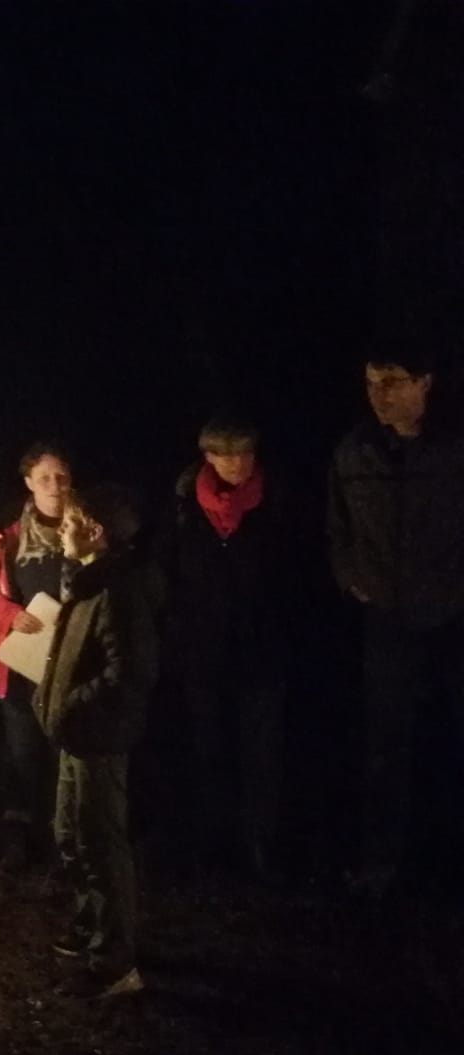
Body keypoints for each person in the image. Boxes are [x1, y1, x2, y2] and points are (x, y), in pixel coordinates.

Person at [328, 339, 464, 899]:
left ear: (425, 383)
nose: (379, 394)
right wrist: (350, 577)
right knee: (385, 744)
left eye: (393, 381)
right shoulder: (355, 452)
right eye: (371, 382)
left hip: (452, 616)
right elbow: (337, 528)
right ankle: (382, 863)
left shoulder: (453, 450)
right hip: (385, 616)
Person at [160, 419, 300, 879]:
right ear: (209, 458)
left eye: (244, 453)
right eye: (226, 454)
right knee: (209, 749)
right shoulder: (186, 505)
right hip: (204, 651)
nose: (237, 463)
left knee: (262, 753)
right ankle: (211, 844)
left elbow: (295, 573)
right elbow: (172, 574)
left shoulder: (277, 502)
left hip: (261, 648)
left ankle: (261, 843)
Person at [33, 486, 157, 999]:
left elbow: (129, 672)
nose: (63, 527)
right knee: (71, 832)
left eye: (72, 521)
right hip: (74, 735)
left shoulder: (117, 589)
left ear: (96, 531)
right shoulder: (86, 582)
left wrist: (72, 704)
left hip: (97, 738)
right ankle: (90, 929)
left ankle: (115, 963)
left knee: (102, 844)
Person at [0, 443, 73, 871]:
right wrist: (11, 615)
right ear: (28, 482)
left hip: (71, 669)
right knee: (22, 757)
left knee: (66, 756)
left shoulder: (86, 531)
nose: (54, 486)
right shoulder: (6, 538)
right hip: (20, 669)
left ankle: (65, 841)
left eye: (61, 477)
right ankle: (19, 840)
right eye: (44, 478)